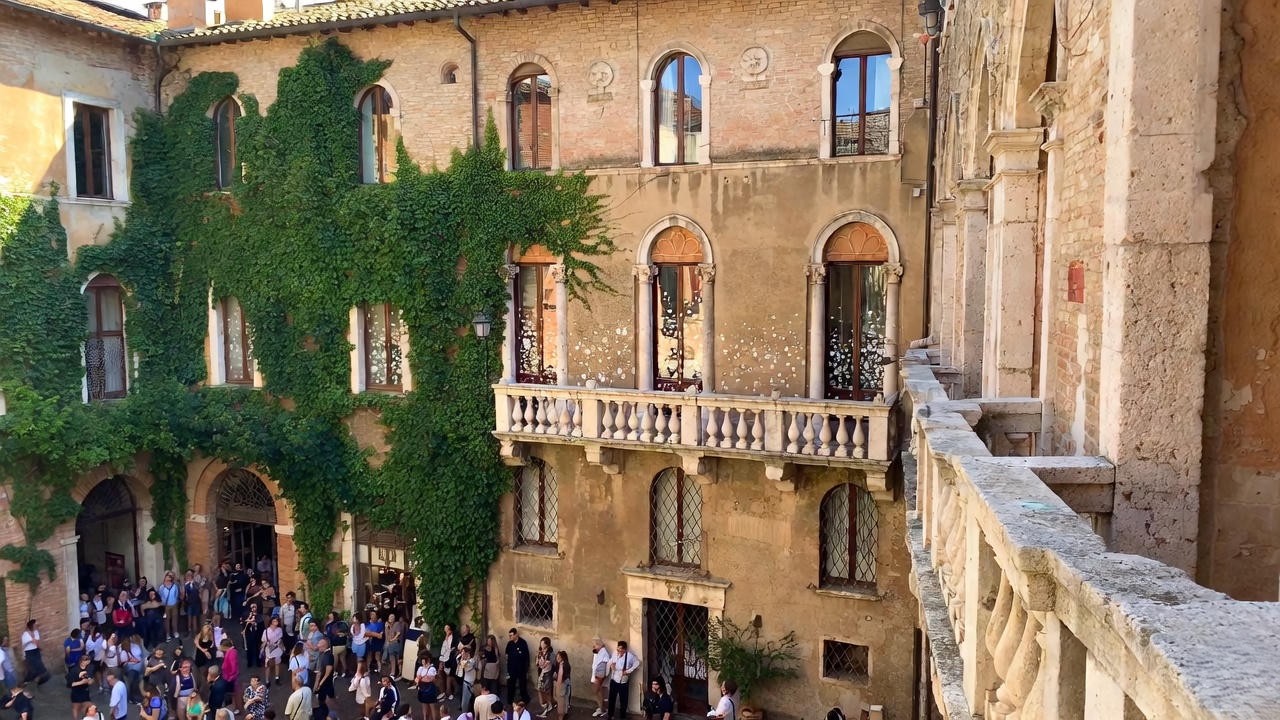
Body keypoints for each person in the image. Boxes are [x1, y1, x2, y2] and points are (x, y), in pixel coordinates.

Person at [605, 641, 637, 720]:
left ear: (625, 650)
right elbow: (610, 661)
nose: (619, 651)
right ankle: (610, 715)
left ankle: (622, 717)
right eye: (618, 649)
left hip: (623, 682)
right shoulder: (615, 653)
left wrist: (628, 671)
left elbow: (637, 663)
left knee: (624, 701)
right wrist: (611, 665)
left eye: (620, 650)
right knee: (612, 699)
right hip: (614, 680)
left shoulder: (630, 656)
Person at [504, 628, 530, 706]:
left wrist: (526, 668)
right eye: (509, 636)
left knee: (522, 684)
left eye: (511, 635)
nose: (510, 637)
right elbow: (506, 654)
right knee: (510, 684)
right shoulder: (510, 644)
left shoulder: (523, 643)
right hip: (511, 668)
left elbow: (526, 656)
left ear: (516, 634)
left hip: (521, 668)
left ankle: (525, 699)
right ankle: (510, 700)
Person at [311, 638, 336, 720]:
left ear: (324, 646)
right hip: (324, 684)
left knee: (325, 700)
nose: (318, 647)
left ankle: (328, 714)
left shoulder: (328, 656)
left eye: (320, 645)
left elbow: (327, 673)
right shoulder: (324, 654)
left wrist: (319, 684)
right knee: (321, 700)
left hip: (326, 684)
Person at [21, 619, 51, 685]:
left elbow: (37, 643)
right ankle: (26, 681)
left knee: (40, 667)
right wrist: (29, 641)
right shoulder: (25, 635)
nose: (37, 626)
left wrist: (40, 648)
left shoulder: (36, 632)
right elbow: (24, 646)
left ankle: (38, 680)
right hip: (29, 652)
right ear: (31, 626)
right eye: (35, 625)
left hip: (36, 651)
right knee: (33, 669)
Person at [323, 613, 349, 679]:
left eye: (331, 615)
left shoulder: (330, 625)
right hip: (343, 644)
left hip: (335, 644)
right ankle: (345, 672)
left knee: (335, 659)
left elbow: (328, 635)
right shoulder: (342, 623)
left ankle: (334, 672)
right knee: (342, 658)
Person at [413, 654, 439, 720]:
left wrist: (423, 679)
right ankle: (425, 718)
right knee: (424, 705)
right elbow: (417, 678)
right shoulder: (421, 668)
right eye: (422, 662)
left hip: (430, 689)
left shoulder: (432, 669)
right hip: (422, 688)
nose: (423, 663)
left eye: (424, 662)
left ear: (428, 661)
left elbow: (432, 679)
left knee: (432, 706)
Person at [589, 640, 609, 719]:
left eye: (595, 645)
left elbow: (602, 668)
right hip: (596, 676)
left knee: (596, 691)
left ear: (600, 646)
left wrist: (598, 679)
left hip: (598, 677)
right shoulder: (599, 652)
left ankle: (602, 709)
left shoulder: (603, 654)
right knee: (598, 692)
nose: (594, 646)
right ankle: (601, 708)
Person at [69, 655, 94, 720]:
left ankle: (85, 718)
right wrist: (81, 682)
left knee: (88, 706)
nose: (88, 662)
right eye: (86, 661)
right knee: (76, 707)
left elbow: (91, 678)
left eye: (89, 661)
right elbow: (70, 684)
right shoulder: (74, 670)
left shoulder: (90, 668)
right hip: (76, 692)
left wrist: (90, 681)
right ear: (81, 661)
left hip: (85, 691)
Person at [534, 638, 554, 718]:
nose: (541, 645)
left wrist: (540, 661)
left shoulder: (550, 654)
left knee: (546, 690)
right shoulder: (540, 653)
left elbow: (544, 665)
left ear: (547, 644)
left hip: (547, 674)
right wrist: (539, 660)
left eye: (542, 643)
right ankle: (546, 704)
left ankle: (548, 705)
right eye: (540, 643)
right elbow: (537, 664)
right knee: (540, 689)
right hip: (542, 673)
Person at [159, 573, 181, 641]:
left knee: (174, 619)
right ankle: (167, 634)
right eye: (167, 579)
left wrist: (175, 602)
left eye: (169, 579)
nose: (168, 580)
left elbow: (176, 594)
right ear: (164, 579)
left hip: (174, 605)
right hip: (166, 606)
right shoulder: (162, 587)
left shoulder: (174, 586)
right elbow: (160, 595)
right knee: (167, 620)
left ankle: (175, 632)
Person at [219, 640, 240, 712]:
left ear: (225, 647)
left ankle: (235, 708)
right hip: (227, 676)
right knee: (229, 692)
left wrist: (230, 677)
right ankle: (230, 706)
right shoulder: (229, 652)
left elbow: (233, 667)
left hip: (230, 678)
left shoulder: (232, 653)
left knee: (232, 693)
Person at [263, 617, 285, 685]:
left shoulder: (279, 629)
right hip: (269, 650)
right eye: (274, 621)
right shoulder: (266, 631)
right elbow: (263, 640)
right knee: (268, 665)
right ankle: (267, 680)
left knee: (277, 664)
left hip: (277, 649)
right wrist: (268, 642)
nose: (276, 622)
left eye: (277, 621)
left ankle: (277, 677)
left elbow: (280, 638)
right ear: (271, 622)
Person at [383, 614, 405, 680]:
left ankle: (400, 673)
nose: (391, 618)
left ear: (394, 618)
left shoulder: (397, 624)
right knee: (391, 658)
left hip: (397, 644)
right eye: (390, 617)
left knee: (398, 659)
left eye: (392, 617)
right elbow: (387, 637)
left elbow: (398, 633)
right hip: (391, 644)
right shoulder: (388, 626)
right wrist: (386, 628)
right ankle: (393, 672)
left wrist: (393, 639)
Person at [438, 625, 456, 701]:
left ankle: (449, 693)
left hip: (449, 659)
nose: (445, 629)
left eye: (446, 628)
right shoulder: (445, 637)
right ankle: (443, 692)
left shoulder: (453, 638)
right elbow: (443, 649)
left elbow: (450, 649)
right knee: (441, 674)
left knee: (448, 675)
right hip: (443, 658)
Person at [553, 651, 571, 720]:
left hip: (562, 685)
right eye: (556, 657)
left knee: (560, 701)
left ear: (563, 658)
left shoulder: (562, 665)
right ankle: (565, 713)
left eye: (559, 657)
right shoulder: (565, 664)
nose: (557, 659)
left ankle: (561, 716)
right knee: (565, 699)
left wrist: (557, 685)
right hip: (566, 684)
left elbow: (560, 679)